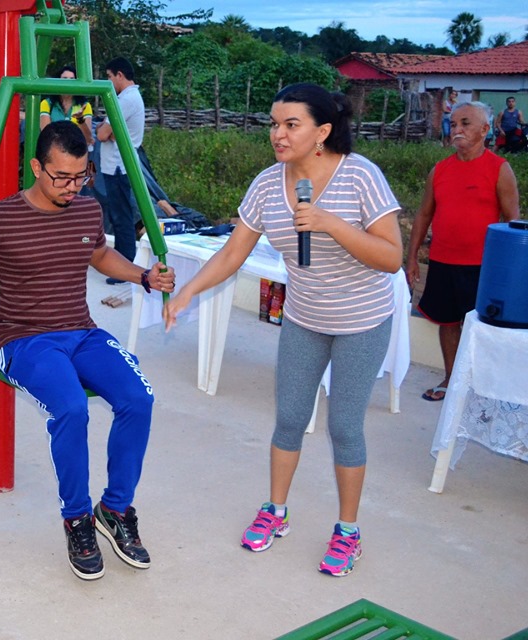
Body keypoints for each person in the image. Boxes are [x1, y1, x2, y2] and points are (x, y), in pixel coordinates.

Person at [164, 83, 403, 577]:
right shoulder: (268, 184)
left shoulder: (360, 176)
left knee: (343, 427)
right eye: (274, 123)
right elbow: (234, 252)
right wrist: (187, 292)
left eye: (291, 124)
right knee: (290, 419)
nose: (278, 134)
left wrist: (328, 223)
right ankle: (276, 512)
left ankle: (348, 532)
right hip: (305, 318)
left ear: (322, 132)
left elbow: (391, 257)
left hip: (361, 320)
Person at [0, 120, 174, 580]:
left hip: (81, 332)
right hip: (24, 338)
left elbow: (99, 254)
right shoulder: (0, 216)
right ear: (35, 167)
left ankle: (116, 509)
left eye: (79, 176)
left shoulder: (87, 210)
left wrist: (141, 276)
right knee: (70, 409)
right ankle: (77, 518)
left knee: (138, 399)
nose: (71, 186)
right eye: (60, 176)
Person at [407, 102, 519, 402]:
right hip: (443, 261)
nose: (457, 129)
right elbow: (423, 215)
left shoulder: (499, 169)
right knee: (448, 323)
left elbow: (513, 222)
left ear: (484, 130)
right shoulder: (440, 170)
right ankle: (450, 380)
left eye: (465, 123)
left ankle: (483, 390)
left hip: (483, 267)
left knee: (483, 329)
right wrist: (412, 258)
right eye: (453, 123)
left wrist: (509, 273)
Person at [95, 56, 145, 281]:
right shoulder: (128, 98)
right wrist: (111, 132)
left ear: (120, 75)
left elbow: (102, 134)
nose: (108, 81)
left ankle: (125, 270)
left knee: (122, 219)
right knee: (119, 217)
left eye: (109, 76)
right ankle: (124, 266)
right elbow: (109, 133)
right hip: (117, 164)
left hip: (119, 166)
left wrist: (109, 132)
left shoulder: (126, 100)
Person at [38, 65, 92, 144]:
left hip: (76, 150)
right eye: (64, 79)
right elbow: (46, 134)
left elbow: (88, 139)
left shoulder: (84, 105)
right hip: (54, 149)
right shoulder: (46, 104)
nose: (68, 82)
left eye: (72, 79)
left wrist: (80, 120)